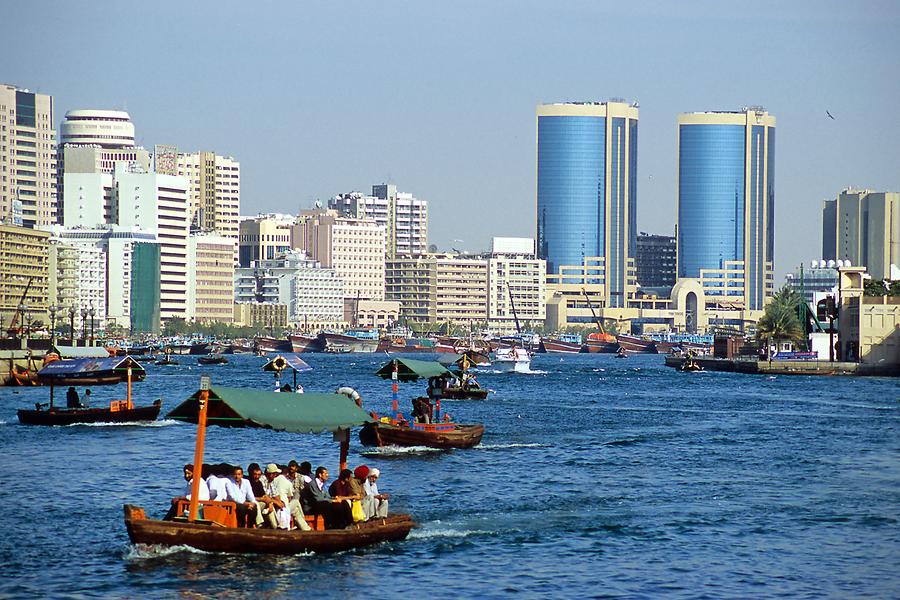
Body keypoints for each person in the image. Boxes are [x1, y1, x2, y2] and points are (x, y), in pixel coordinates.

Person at [262, 463, 292, 529]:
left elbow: (276, 495)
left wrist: (280, 503)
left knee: (282, 506)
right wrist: (275, 502)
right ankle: (276, 527)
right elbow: (265, 497)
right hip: (263, 502)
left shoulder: (272, 482)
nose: (276, 475)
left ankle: (284, 526)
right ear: (271, 474)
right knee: (272, 507)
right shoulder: (262, 480)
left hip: (270, 502)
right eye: (275, 474)